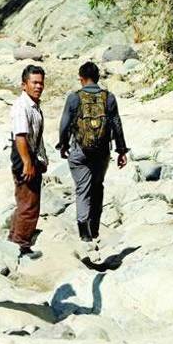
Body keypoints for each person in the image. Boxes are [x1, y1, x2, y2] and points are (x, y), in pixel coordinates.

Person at [57, 62, 129, 243]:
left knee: (83, 189)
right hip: (102, 153)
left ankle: (84, 231)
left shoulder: (74, 98)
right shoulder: (109, 97)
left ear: (81, 79)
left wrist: (63, 145)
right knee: (97, 187)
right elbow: (116, 125)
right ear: (98, 78)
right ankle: (95, 228)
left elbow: (64, 124)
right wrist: (121, 150)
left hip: (80, 152)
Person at [9, 64, 48, 260]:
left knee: (26, 202)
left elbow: (35, 137)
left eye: (41, 83)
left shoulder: (33, 106)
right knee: (28, 205)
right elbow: (20, 137)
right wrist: (27, 163)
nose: (38, 86)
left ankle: (13, 241)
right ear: (24, 85)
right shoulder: (21, 107)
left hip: (31, 157)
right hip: (23, 158)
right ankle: (20, 246)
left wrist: (41, 159)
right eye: (34, 82)